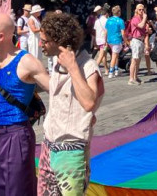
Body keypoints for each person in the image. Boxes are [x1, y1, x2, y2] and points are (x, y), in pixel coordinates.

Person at [0, 13, 49, 196]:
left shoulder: (26, 61)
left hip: (17, 133)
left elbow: (55, 90)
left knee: (18, 189)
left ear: (1, 36)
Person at [38, 12, 103, 195]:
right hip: (49, 145)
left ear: (58, 40)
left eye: (45, 40)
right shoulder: (57, 64)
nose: (41, 44)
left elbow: (89, 102)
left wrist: (73, 67)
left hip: (71, 151)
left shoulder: (87, 65)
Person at [128, 4, 148, 85]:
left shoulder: (141, 18)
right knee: (134, 60)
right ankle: (131, 78)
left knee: (138, 60)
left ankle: (136, 77)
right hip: (136, 40)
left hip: (141, 40)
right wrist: (145, 18)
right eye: (140, 9)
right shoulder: (135, 19)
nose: (141, 11)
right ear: (136, 10)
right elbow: (141, 25)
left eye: (143, 9)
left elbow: (144, 29)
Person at [105, 5, 126, 79]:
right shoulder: (120, 21)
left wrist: (105, 41)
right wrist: (126, 41)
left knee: (115, 55)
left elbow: (106, 31)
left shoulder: (108, 20)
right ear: (119, 12)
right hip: (117, 40)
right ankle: (111, 72)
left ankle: (116, 70)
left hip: (109, 40)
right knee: (114, 55)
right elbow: (123, 33)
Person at [93, 6, 109, 71]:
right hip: (104, 40)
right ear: (106, 14)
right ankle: (94, 69)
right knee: (101, 55)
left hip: (98, 39)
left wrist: (94, 41)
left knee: (104, 55)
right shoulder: (107, 21)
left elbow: (95, 31)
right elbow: (107, 31)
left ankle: (106, 70)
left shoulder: (97, 21)